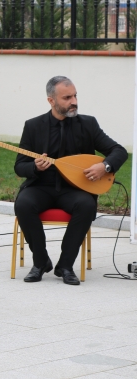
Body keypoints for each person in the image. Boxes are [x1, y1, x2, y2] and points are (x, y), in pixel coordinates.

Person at [15, 76, 128, 285]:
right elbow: (19, 166)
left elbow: (118, 151)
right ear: (51, 101)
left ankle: (65, 266)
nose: (74, 101)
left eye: (75, 96)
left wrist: (104, 166)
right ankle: (40, 262)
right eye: (67, 97)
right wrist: (34, 167)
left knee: (86, 206)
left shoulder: (88, 124)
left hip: (75, 189)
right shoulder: (33, 126)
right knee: (23, 204)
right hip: (41, 186)